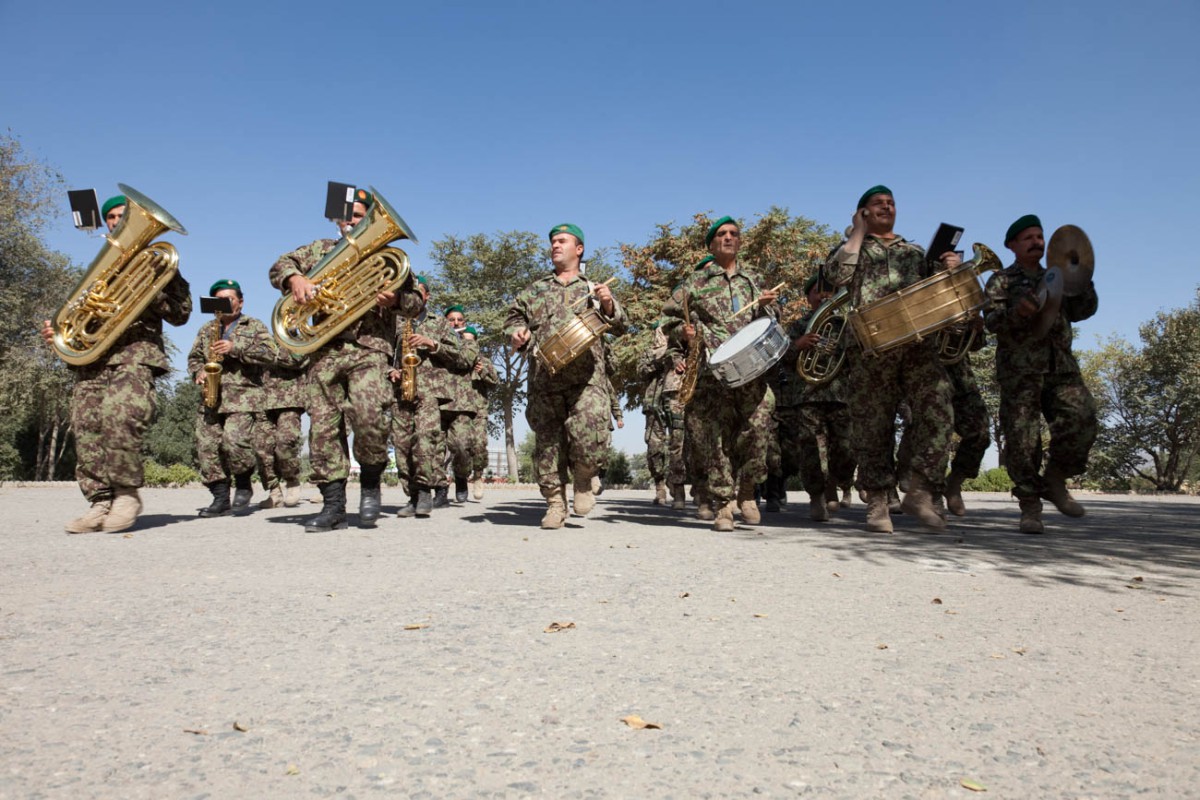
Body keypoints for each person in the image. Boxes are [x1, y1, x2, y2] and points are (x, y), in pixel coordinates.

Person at [268, 187, 423, 531]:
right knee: (323, 427)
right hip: (325, 350)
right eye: (348, 216)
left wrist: (394, 300)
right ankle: (333, 503)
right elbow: (279, 265)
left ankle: (370, 484)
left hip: (370, 350)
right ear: (338, 220)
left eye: (360, 217)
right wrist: (295, 279)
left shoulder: (388, 256)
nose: (352, 222)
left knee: (370, 419)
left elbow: (417, 304)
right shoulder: (318, 250)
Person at [41, 193, 192, 533]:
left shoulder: (160, 263)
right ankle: (99, 502)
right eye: (113, 218)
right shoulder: (98, 269)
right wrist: (59, 330)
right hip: (93, 360)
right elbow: (77, 316)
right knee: (87, 428)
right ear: (108, 224)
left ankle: (126, 493)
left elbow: (182, 315)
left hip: (135, 355)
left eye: (126, 216)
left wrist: (153, 287)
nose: (119, 222)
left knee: (121, 416)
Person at [824, 186, 956, 533]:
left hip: (917, 346)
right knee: (873, 427)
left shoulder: (913, 253)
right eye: (877, 204)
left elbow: (941, 295)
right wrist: (856, 232)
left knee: (939, 411)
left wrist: (949, 268)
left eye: (891, 203)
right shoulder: (849, 250)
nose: (886, 207)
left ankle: (922, 488)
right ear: (862, 212)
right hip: (871, 349)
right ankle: (879, 500)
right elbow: (836, 278)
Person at [504, 223, 625, 529]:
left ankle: (584, 479)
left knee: (590, 434)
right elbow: (513, 317)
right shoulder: (535, 290)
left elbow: (621, 324)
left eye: (562, 241)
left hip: (587, 378)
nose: (555, 246)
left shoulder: (593, 288)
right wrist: (516, 332)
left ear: (578, 249)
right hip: (545, 377)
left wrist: (608, 303)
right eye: (553, 242)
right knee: (548, 444)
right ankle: (556, 503)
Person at [663, 216, 778, 532]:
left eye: (734, 234)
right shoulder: (694, 283)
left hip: (751, 371)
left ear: (739, 241)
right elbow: (668, 321)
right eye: (722, 234)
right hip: (711, 373)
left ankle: (746, 490)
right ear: (712, 244)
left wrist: (769, 305)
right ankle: (723, 504)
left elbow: (771, 320)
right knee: (713, 441)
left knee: (760, 427)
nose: (728, 237)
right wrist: (682, 334)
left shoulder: (752, 280)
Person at [985, 214, 1098, 533]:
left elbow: (1083, 311)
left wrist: (1081, 277)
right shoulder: (1002, 281)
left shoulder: (1057, 275)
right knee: (1022, 442)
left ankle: (1055, 479)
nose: (1037, 242)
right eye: (1028, 238)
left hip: (1060, 367)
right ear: (1012, 245)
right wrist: (1017, 314)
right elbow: (992, 323)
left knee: (1082, 419)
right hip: (1020, 371)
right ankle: (1030, 506)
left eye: (1040, 236)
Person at [188, 279, 277, 516]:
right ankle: (219, 497)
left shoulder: (253, 325)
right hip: (212, 398)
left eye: (229, 299)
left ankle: (244, 484)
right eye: (218, 300)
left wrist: (234, 348)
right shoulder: (207, 329)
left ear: (240, 302)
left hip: (243, 397)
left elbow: (270, 353)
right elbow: (194, 357)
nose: (224, 304)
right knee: (207, 446)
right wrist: (198, 372)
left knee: (234, 441)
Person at [390, 279, 477, 516]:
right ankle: (413, 496)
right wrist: (391, 370)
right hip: (401, 391)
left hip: (429, 392)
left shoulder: (439, 323)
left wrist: (432, 344)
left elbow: (461, 358)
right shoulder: (394, 321)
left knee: (426, 440)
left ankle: (426, 492)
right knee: (401, 446)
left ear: (426, 297)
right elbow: (383, 353)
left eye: (418, 293)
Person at [781, 273, 856, 521]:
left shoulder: (846, 323)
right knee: (809, 449)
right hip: (807, 395)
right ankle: (816, 496)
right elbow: (782, 360)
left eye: (830, 291)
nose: (824, 295)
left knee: (846, 448)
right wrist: (798, 345)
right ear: (808, 298)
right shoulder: (798, 326)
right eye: (818, 291)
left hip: (840, 394)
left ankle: (836, 482)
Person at [637, 323, 687, 507]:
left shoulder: (683, 349)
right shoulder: (650, 351)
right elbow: (641, 371)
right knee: (654, 446)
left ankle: (678, 485)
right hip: (653, 402)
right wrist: (659, 358)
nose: (664, 336)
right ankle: (660, 487)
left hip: (676, 398)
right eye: (662, 332)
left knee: (678, 442)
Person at [253, 348, 308, 509]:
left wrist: (268, 354)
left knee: (285, 442)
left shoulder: (300, 342)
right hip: (262, 401)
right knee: (260, 446)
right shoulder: (266, 341)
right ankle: (274, 491)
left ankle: (291, 481)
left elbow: (299, 359)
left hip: (290, 400)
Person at [437, 303, 479, 504]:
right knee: (433, 448)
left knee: (461, 446)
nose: (455, 323)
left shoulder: (469, 343)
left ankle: (461, 477)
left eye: (459, 320)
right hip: (436, 399)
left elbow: (466, 361)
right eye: (451, 320)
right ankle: (439, 489)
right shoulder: (434, 338)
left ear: (465, 323)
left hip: (461, 403)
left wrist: (466, 341)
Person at [463, 325, 498, 499]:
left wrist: (482, 371)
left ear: (476, 342)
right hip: (458, 409)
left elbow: (494, 383)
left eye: (470, 340)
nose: (467, 343)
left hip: (478, 410)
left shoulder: (484, 362)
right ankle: (460, 479)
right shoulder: (455, 361)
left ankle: (477, 476)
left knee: (478, 444)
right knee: (459, 446)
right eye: (463, 340)